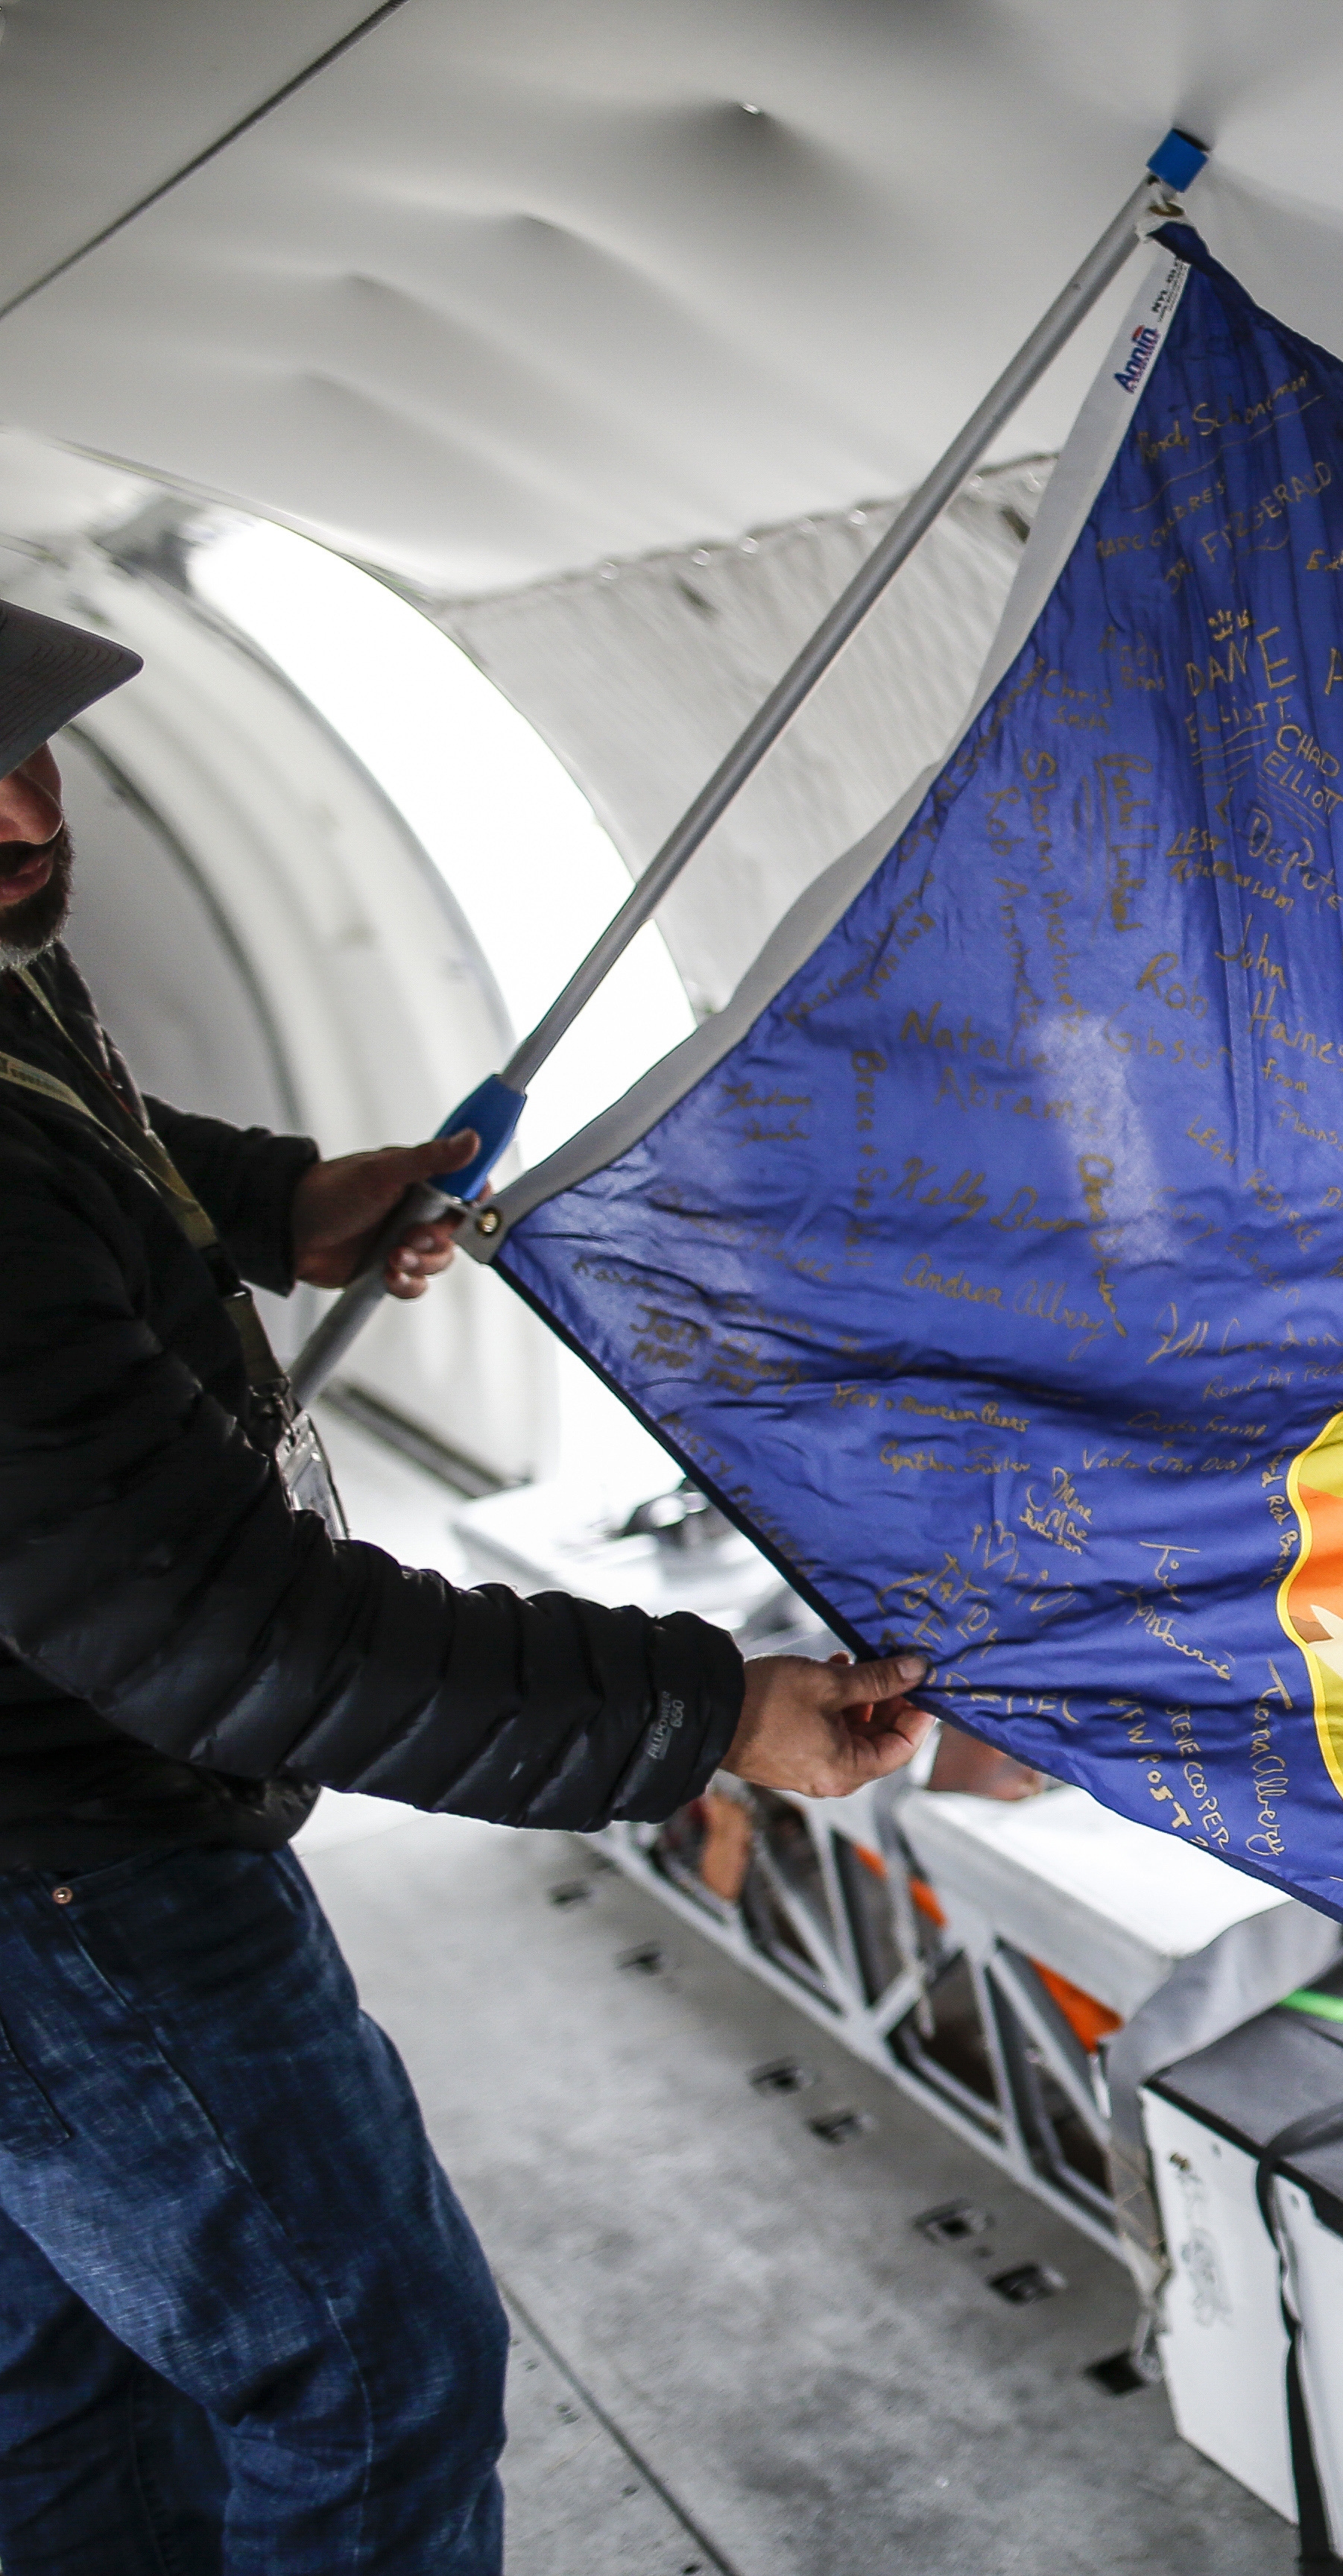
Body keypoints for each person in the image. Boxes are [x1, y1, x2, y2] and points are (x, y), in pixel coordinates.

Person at [0, 597, 935, 2572]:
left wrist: (274, 1204)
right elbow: (227, 1636)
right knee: (363, 2380)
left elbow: (85, 1143)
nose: (15, 809)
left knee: (72, 2383)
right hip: (68, 1885)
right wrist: (705, 1712)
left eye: (22, 743)